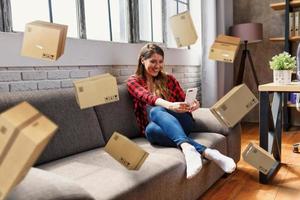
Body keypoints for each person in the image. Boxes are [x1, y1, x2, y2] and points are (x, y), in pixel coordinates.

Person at [127, 43, 236, 179]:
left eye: (160, 61)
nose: (157, 66)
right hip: (158, 128)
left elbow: (183, 98)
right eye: (153, 61)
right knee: (150, 131)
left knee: (155, 111)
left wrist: (194, 104)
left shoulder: (169, 79)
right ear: (143, 60)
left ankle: (190, 149)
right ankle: (206, 152)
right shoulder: (133, 81)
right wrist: (170, 105)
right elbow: (148, 97)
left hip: (183, 121)